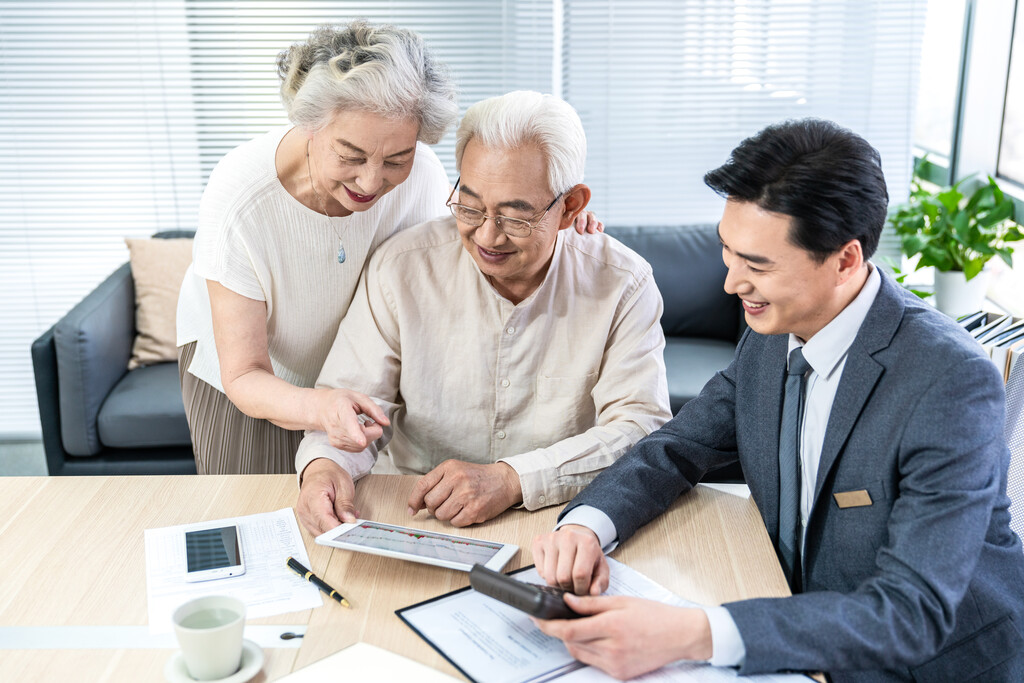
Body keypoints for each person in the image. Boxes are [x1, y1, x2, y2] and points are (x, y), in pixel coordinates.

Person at [531, 119, 1024, 682]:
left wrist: (692, 633)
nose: (730, 283)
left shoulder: (951, 382)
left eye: (758, 265)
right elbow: (677, 446)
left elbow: (911, 613)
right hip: (792, 629)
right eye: (728, 252)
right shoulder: (771, 336)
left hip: (928, 667)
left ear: (845, 260)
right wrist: (587, 527)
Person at [175, 22, 600, 474]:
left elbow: (470, 245)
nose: (371, 181)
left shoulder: (422, 177)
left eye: (396, 159)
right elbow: (244, 374)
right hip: (252, 377)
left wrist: (556, 221)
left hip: (357, 374)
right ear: (310, 125)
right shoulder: (242, 200)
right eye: (351, 155)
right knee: (251, 516)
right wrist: (321, 406)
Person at [294, 91, 671, 535]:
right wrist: (324, 468)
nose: (487, 236)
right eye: (470, 206)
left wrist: (513, 479)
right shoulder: (402, 268)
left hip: (562, 521)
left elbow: (639, 425)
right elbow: (351, 403)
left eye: (516, 216)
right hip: (416, 513)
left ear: (570, 207)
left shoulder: (622, 283)